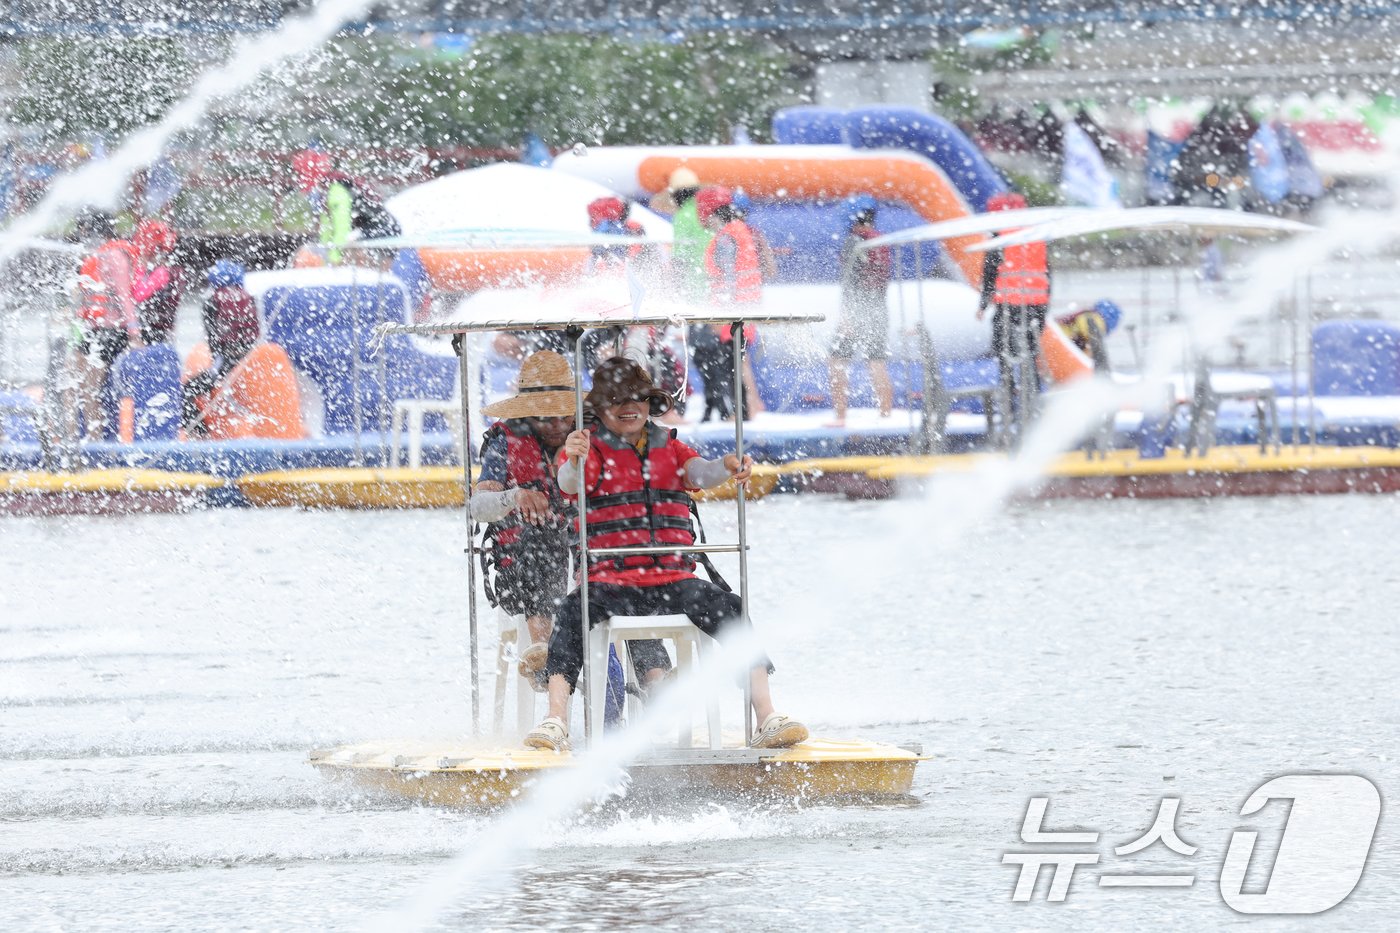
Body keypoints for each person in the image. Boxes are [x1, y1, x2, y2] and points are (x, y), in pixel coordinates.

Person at [524, 357, 807, 752]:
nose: (630, 406)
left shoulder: (671, 446)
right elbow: (568, 483)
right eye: (618, 400)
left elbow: (701, 474)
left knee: (731, 607)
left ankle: (767, 715)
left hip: (672, 580)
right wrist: (573, 457)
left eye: (638, 398)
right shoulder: (585, 450)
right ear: (601, 409)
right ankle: (555, 720)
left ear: (649, 403)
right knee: (572, 613)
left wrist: (727, 466)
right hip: (610, 582)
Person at [472, 350, 585, 689]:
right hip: (522, 565)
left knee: (609, 538)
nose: (556, 425)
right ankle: (543, 649)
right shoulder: (504, 440)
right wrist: (514, 496)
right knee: (543, 533)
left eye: (563, 416)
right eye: (544, 417)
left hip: (584, 554)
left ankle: (650, 669)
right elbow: (478, 507)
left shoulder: (591, 435)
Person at [977, 191, 1051, 426]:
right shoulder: (1037, 237)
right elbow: (1048, 274)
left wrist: (983, 303)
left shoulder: (1000, 236)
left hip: (1008, 307)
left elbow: (990, 273)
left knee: (1005, 359)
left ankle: (1010, 410)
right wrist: (1044, 310)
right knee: (1030, 358)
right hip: (1035, 307)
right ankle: (1035, 409)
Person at [698, 186, 766, 420]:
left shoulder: (726, 238)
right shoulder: (740, 230)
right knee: (740, 361)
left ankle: (743, 412)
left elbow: (728, 279)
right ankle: (750, 408)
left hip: (733, 313)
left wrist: (723, 317)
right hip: (746, 309)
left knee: (734, 365)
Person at [71, 211, 138, 440]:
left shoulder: (114, 256)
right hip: (95, 331)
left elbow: (123, 296)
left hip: (111, 333)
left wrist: (133, 332)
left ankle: (98, 440)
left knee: (91, 388)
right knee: (77, 384)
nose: (83, 238)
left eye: (85, 232)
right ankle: (89, 438)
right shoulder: (99, 256)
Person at [828, 194, 894, 426]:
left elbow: (849, 281)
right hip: (878, 308)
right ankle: (885, 414)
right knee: (876, 361)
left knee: (836, 359)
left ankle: (840, 416)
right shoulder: (880, 240)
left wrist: (846, 316)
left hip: (856, 310)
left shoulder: (854, 241)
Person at [183, 260, 260, 434]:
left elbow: (214, 343)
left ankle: (198, 432)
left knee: (187, 390)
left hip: (226, 362)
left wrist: (216, 369)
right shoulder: (251, 299)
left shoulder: (212, 302)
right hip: (251, 359)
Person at [130, 219, 183, 346]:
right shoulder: (165, 270)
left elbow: (137, 296)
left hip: (155, 333)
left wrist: (139, 268)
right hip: (158, 331)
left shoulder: (163, 273)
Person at [1056, 299, 1121, 373]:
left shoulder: (1088, 315)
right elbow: (1091, 341)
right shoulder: (1096, 320)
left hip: (1057, 340)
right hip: (1060, 344)